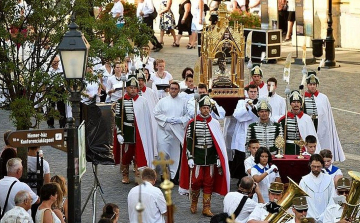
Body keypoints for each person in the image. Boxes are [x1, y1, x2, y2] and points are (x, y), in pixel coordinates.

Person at [179, 94, 230, 217]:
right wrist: (190, 157)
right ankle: (194, 203)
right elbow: (189, 142)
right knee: (196, 182)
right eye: (204, 108)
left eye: (208, 108)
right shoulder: (193, 123)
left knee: (209, 182)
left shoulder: (215, 123)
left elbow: (218, 143)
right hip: (198, 156)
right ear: (200, 108)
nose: (206, 110)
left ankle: (206, 208)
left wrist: (218, 157)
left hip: (211, 157)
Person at [114, 75, 155, 184]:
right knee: (126, 154)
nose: (133, 89)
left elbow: (147, 118)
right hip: (127, 131)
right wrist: (119, 133)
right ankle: (125, 174)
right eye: (131, 87)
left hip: (140, 131)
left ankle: (138, 175)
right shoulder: (121, 101)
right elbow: (118, 118)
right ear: (126, 88)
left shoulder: (143, 101)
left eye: (135, 87)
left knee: (139, 154)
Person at [303, 71, 345, 161]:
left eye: (314, 84)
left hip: (321, 125)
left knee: (322, 143)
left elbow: (327, 115)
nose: (313, 86)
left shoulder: (323, 98)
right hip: (309, 124)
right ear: (307, 85)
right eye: (310, 84)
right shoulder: (303, 98)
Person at [154, 82, 189, 184]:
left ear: (179, 90)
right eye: (172, 88)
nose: (173, 90)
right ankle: (163, 174)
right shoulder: (162, 101)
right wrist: (167, 119)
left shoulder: (183, 102)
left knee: (175, 154)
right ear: (169, 89)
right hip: (163, 131)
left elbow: (188, 115)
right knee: (162, 153)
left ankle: (174, 176)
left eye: (175, 89)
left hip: (176, 132)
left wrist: (180, 120)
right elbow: (156, 113)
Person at [278, 90, 321, 155]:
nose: (296, 104)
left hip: (303, 149)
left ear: (301, 104)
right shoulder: (284, 119)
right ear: (290, 104)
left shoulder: (307, 119)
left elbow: (311, 135)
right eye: (294, 102)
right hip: (288, 150)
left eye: (298, 102)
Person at [230, 85, 259, 181]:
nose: (253, 93)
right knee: (242, 158)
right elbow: (237, 115)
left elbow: (259, 116)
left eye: (255, 91)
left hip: (256, 132)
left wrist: (253, 108)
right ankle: (242, 180)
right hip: (243, 132)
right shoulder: (241, 102)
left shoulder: (261, 102)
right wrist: (246, 108)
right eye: (251, 91)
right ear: (247, 92)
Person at [299, 154, 336, 222]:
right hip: (309, 217)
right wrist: (310, 216)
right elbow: (302, 201)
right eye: (314, 166)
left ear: (322, 165)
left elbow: (332, 199)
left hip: (326, 217)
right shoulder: (304, 181)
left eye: (318, 167)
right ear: (310, 165)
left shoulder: (329, 179)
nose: (316, 169)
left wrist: (324, 215)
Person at [46, 56, 66, 129]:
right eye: (54, 62)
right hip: (50, 89)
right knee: (50, 107)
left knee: (61, 107)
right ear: (51, 61)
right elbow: (44, 82)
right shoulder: (47, 70)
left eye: (57, 62)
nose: (56, 63)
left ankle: (62, 124)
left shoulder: (61, 69)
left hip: (60, 89)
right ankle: (50, 124)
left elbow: (65, 80)